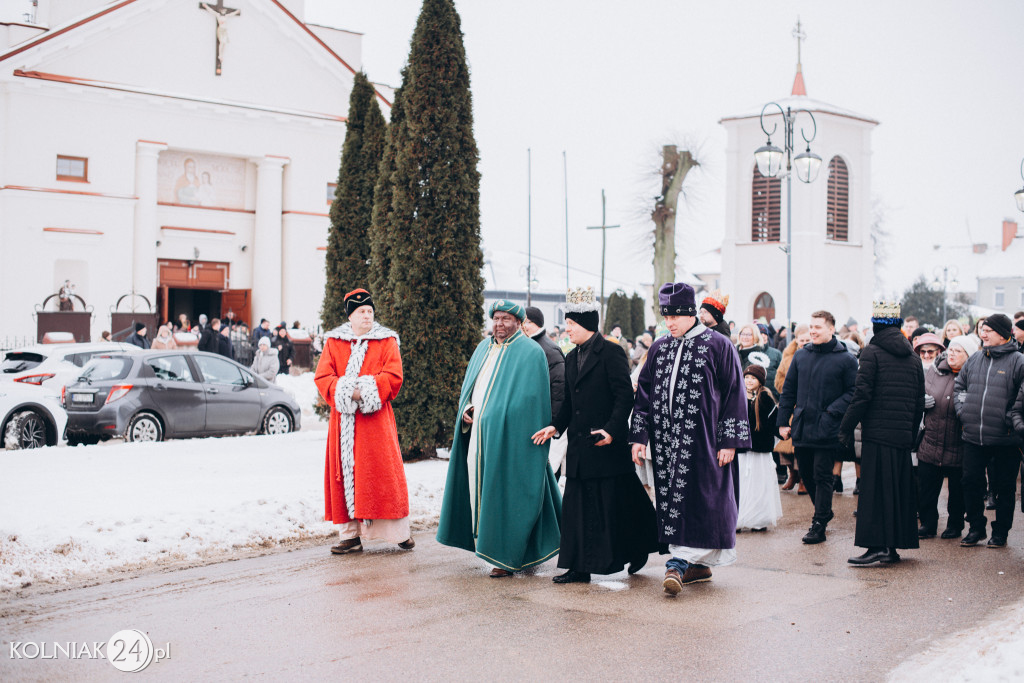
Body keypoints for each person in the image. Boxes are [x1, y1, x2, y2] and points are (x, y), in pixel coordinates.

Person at [630, 282, 751, 595]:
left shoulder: (719, 345)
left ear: (691, 313)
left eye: (675, 317)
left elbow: (734, 393)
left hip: (705, 442)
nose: (669, 323)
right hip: (666, 443)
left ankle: (678, 564)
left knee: (705, 502)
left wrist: (729, 441)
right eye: (665, 316)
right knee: (673, 502)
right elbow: (644, 393)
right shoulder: (659, 347)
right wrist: (639, 435)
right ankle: (695, 565)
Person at [532, 288, 659, 584]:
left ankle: (639, 547)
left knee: (620, 505)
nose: (567, 329)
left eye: (571, 324)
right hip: (580, 446)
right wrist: (555, 426)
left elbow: (624, 397)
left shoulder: (611, 352)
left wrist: (612, 430)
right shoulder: (571, 356)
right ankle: (579, 567)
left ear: (587, 323)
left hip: (606, 446)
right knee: (577, 508)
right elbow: (569, 402)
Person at [436, 300, 561, 578]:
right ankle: (487, 545)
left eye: (505, 319)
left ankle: (506, 557)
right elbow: (471, 388)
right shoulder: (483, 348)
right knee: (483, 492)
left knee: (511, 494)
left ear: (518, 322)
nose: (499, 324)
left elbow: (532, 400)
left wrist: (500, 417)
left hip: (512, 440)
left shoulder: (530, 352)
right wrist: (467, 409)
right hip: (479, 439)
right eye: (495, 318)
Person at [314, 288, 411, 554]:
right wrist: (347, 392)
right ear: (350, 316)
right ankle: (350, 536)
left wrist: (365, 391)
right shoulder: (334, 342)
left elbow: (393, 375)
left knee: (383, 474)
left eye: (369, 311)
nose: (367, 316)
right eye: (361, 312)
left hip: (376, 423)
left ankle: (399, 533)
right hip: (343, 423)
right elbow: (323, 377)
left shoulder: (387, 340)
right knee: (344, 476)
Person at [839, 302, 924, 565]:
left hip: (877, 433)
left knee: (875, 492)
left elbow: (862, 395)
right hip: (901, 435)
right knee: (897, 491)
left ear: (876, 326)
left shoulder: (872, 353)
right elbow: (919, 401)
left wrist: (845, 427)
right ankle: (892, 546)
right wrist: (910, 434)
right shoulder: (913, 357)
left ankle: (878, 546)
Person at [777, 311, 858, 545]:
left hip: (827, 427)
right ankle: (824, 511)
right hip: (803, 425)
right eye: (811, 327)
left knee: (822, 474)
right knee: (806, 472)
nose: (812, 331)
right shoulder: (801, 355)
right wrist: (782, 422)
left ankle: (819, 522)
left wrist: (832, 411)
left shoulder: (846, 359)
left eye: (818, 327)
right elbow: (788, 391)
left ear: (831, 329)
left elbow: (853, 391)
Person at [954, 313, 1024, 548]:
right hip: (974, 435)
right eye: (982, 330)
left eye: (988, 330)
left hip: (1005, 438)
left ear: (1003, 335)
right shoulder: (975, 358)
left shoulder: (1018, 361)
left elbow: (1021, 399)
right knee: (970, 482)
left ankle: (1000, 532)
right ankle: (976, 527)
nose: (982, 334)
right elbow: (959, 387)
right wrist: (962, 411)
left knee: (1004, 488)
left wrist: (1010, 418)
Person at [917, 335, 977, 540]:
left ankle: (955, 525)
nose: (952, 354)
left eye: (958, 351)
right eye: (950, 350)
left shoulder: (973, 375)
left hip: (958, 442)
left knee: (957, 490)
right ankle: (927, 524)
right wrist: (920, 401)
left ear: (968, 355)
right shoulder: (934, 371)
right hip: (931, 439)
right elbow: (919, 393)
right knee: (927, 487)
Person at [736, 363, 783, 531]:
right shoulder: (737, 396)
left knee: (759, 484)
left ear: (760, 380)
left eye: (753, 378)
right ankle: (738, 517)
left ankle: (758, 519)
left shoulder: (765, 398)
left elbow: (774, 422)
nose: (749, 381)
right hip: (742, 450)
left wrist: (782, 431)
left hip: (760, 450)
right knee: (741, 484)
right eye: (746, 377)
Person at [522, 306, 568, 477]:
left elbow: (559, 388)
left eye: (527, 322)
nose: (523, 326)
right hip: (530, 418)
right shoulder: (527, 345)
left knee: (546, 468)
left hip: (544, 420)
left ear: (536, 324)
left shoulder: (549, 349)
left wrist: (554, 423)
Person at [775, 324, 810, 492]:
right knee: (785, 446)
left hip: (806, 406)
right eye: (801, 340)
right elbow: (779, 380)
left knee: (800, 447)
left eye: (807, 340)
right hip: (791, 406)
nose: (804, 343)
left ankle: (803, 478)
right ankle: (792, 474)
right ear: (796, 340)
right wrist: (791, 388)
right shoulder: (788, 357)